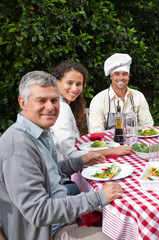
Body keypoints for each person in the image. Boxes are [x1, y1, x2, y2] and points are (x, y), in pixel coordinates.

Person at [0, 71, 122, 239]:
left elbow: (49, 170)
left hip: (61, 219)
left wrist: (79, 162)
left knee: (119, 226)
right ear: (23, 102)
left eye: (54, 100)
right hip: (46, 231)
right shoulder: (18, 146)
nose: (50, 107)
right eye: (41, 100)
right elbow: (39, 212)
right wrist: (98, 196)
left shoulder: (39, 132)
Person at [51, 60, 133, 161]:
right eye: (69, 83)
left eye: (78, 84)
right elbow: (70, 154)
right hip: (59, 167)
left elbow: (75, 133)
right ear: (57, 81)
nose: (74, 89)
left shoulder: (63, 103)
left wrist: (73, 138)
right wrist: (114, 151)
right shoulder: (62, 108)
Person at [89, 53, 154, 133]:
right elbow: (96, 132)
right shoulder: (98, 100)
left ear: (129, 76)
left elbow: (147, 126)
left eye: (125, 74)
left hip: (134, 142)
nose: (121, 78)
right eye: (117, 74)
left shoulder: (138, 96)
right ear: (111, 76)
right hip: (109, 143)